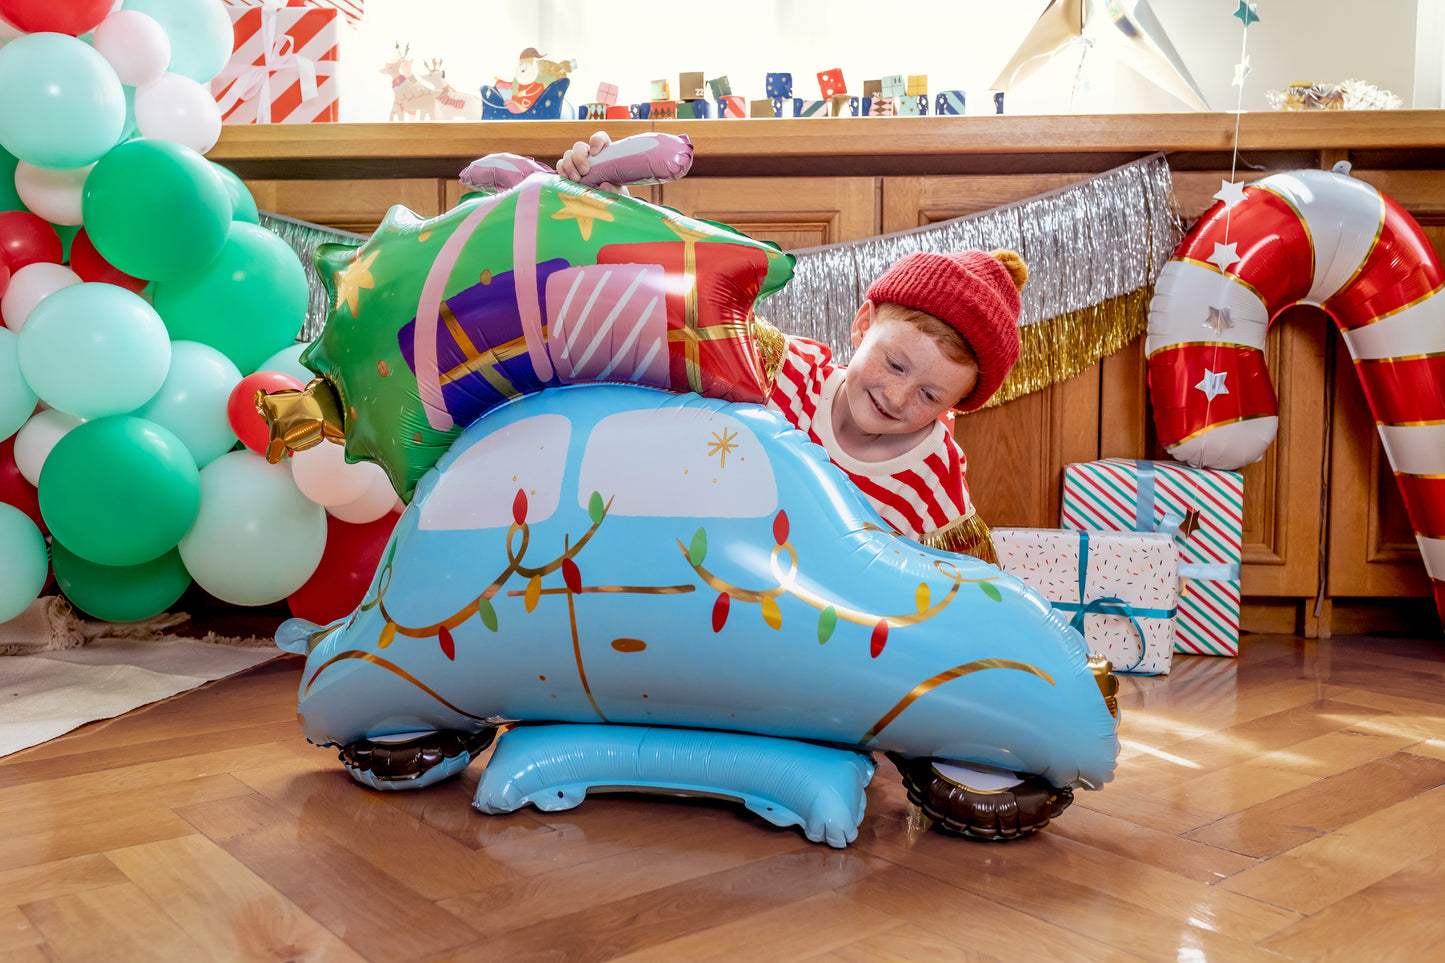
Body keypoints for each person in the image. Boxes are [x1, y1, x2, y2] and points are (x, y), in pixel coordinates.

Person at [559, 132, 1026, 565]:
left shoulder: (932, 479)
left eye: (931, 396)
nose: (898, 398)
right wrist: (606, 209)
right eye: (895, 364)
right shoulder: (784, 371)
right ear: (862, 327)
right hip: (711, 570)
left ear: (955, 406)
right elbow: (677, 309)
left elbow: (965, 592)